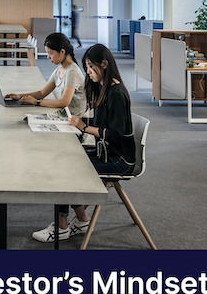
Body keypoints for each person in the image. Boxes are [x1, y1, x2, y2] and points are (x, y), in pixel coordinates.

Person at [32, 43, 135, 243]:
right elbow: (104, 124)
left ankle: (62, 227)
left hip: (119, 160)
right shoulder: (107, 89)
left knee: (65, 169)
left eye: (90, 67)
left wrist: (83, 127)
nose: (87, 72)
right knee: (64, 159)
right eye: (86, 67)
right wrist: (79, 123)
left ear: (104, 64)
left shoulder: (116, 94)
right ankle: (81, 219)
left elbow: (115, 135)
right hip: (106, 151)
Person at [4, 33, 87, 117]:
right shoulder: (59, 69)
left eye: (50, 53)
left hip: (73, 119)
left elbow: (64, 102)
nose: (48, 57)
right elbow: (41, 93)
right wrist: (19, 96)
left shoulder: (72, 72)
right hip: (63, 114)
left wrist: (36, 102)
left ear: (62, 52)